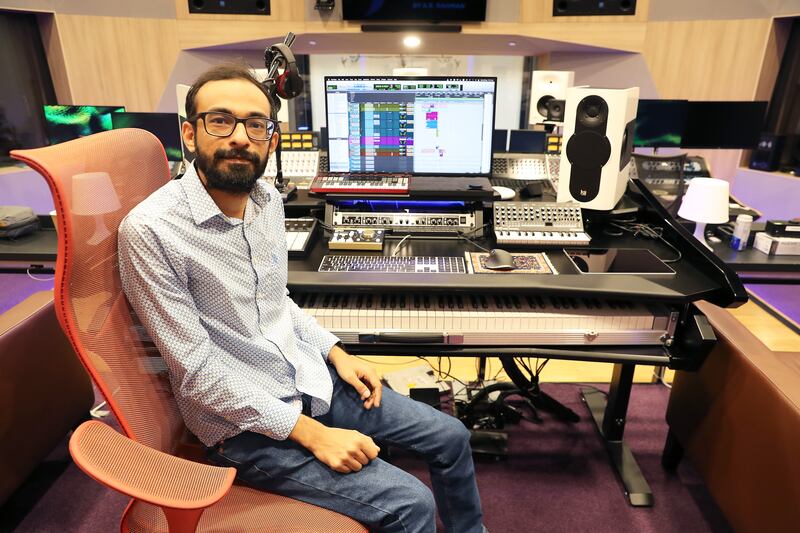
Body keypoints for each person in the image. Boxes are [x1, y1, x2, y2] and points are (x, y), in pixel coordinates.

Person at [118, 63, 485, 533]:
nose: (239, 137)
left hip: (308, 382)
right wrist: (313, 435)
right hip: (245, 429)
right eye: (220, 120)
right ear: (190, 135)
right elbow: (199, 375)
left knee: (452, 436)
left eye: (256, 124)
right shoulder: (150, 231)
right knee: (410, 503)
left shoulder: (267, 200)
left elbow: (278, 302)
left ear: (271, 140)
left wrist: (337, 352)